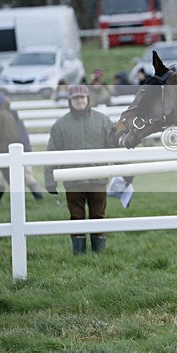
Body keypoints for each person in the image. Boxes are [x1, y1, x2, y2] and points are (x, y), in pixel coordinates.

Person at [44, 85, 115, 256]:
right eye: (76, 99)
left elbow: (114, 146)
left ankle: (98, 253)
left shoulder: (103, 120)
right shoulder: (60, 125)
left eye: (82, 98)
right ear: (70, 101)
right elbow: (52, 153)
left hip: (98, 178)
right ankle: (79, 254)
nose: (80, 101)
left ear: (88, 99)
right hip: (73, 180)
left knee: (98, 216)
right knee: (76, 217)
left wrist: (125, 173)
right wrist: (50, 181)